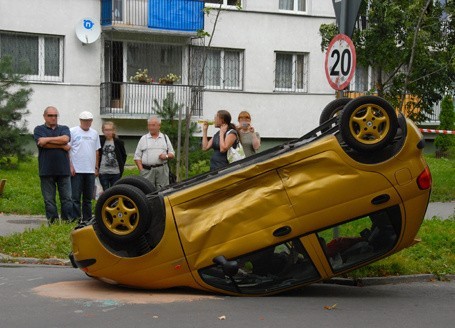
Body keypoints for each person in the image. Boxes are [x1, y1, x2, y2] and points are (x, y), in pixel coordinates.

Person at [33, 106, 74, 224]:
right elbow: (41, 144)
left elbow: (65, 139)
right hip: (46, 171)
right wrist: (61, 146)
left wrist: (47, 140)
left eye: (55, 115)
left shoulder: (64, 128)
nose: (53, 118)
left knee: (67, 199)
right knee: (49, 200)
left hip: (63, 171)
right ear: (44, 116)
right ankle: (53, 223)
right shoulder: (38, 129)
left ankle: (67, 222)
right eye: (50, 116)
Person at [69, 111, 101, 222]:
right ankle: (76, 220)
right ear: (80, 120)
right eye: (84, 121)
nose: (86, 123)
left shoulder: (94, 133)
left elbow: (97, 151)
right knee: (75, 198)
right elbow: (68, 150)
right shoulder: (72, 131)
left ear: (91, 121)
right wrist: (70, 166)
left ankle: (87, 220)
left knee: (88, 199)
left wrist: (96, 167)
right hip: (76, 170)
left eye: (88, 121)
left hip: (90, 171)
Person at [134, 116, 175, 189]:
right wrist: (142, 171)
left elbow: (172, 154)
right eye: (149, 125)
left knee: (163, 191)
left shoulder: (165, 137)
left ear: (159, 126)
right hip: (147, 171)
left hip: (162, 170)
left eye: (153, 125)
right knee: (147, 191)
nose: (151, 127)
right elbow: (137, 157)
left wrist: (166, 156)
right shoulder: (143, 138)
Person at [97, 121, 127, 191]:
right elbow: (97, 155)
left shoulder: (119, 142)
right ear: (103, 131)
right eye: (106, 130)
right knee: (105, 192)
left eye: (110, 130)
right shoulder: (100, 142)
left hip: (116, 172)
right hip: (103, 172)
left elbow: (123, 156)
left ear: (113, 131)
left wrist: (121, 167)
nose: (108, 132)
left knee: (114, 192)